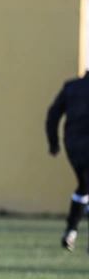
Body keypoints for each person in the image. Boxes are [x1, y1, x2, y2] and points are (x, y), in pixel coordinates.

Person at [45, 70, 89, 251]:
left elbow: (53, 115)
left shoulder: (71, 87)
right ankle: (71, 231)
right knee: (85, 185)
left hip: (74, 147)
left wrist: (53, 143)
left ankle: (71, 231)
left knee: (84, 186)